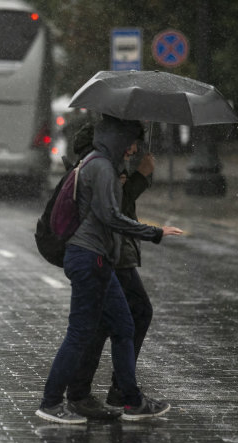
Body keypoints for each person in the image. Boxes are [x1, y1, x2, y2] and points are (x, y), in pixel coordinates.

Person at [35, 115, 183, 424]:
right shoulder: (100, 166)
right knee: (79, 333)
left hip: (99, 260)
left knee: (125, 326)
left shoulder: (101, 165)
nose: (132, 150)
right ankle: (51, 403)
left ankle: (132, 402)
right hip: (90, 260)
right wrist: (154, 232)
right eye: (130, 143)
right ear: (118, 139)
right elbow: (111, 217)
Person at [66, 149, 160, 419]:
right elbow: (113, 210)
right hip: (107, 250)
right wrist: (139, 177)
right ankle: (114, 393)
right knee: (131, 314)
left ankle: (93, 392)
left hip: (113, 249)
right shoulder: (104, 154)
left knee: (107, 321)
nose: (132, 145)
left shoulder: (110, 149)